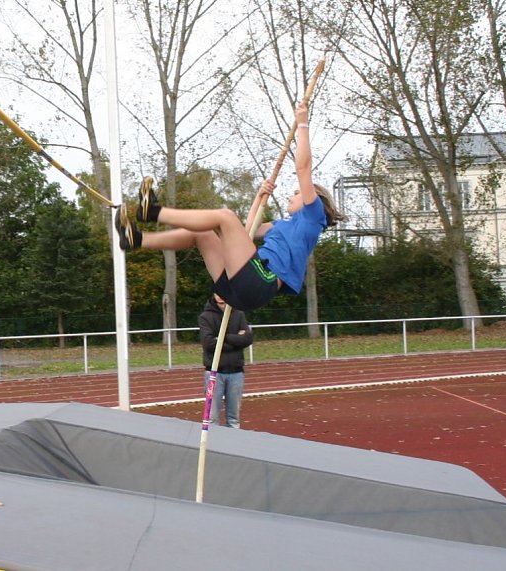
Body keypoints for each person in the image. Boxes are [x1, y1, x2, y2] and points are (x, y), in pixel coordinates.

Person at [114, 99, 346, 312]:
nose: (292, 195)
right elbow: (247, 232)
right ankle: (136, 239)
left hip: (260, 282)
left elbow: (303, 169)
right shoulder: (284, 225)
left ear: (312, 198)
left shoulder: (312, 217)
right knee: (203, 233)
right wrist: (258, 197)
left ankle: (153, 212)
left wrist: (302, 124)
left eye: (297, 193)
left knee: (225, 216)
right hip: (240, 283)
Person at [198, 293, 253, 428]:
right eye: (218, 292)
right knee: (212, 419)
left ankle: (232, 446)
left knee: (234, 419)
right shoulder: (205, 317)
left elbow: (247, 339)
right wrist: (235, 339)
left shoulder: (239, 314)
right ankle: (213, 447)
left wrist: (223, 337)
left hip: (236, 373)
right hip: (214, 373)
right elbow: (209, 343)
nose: (221, 296)